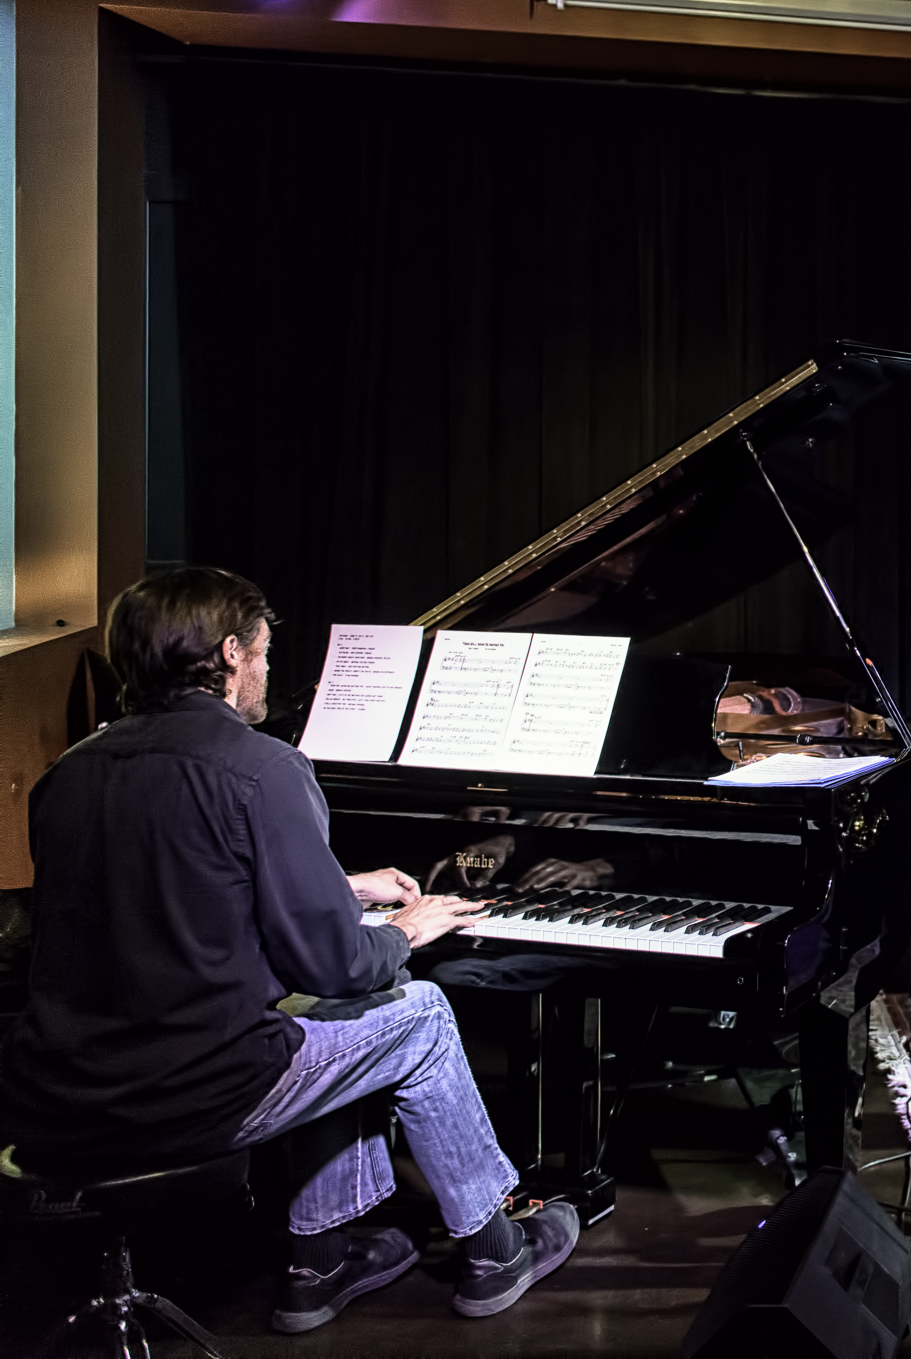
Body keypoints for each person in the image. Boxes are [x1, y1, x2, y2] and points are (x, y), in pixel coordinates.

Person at [0, 568, 580, 1332]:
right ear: (232, 654)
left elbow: (172, 894)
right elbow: (333, 966)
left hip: (59, 1094)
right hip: (187, 1093)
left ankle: (321, 1264)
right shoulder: (264, 767)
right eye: (267, 654)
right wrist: (405, 928)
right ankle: (495, 1247)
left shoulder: (66, 776)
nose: (270, 672)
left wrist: (338, 884)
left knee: (322, 1019)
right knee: (417, 1009)